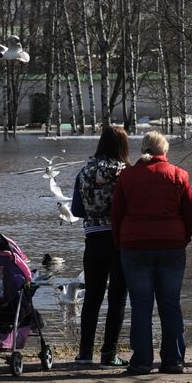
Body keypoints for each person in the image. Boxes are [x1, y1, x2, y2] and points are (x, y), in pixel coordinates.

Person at [110, 130, 192, 375]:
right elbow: (189, 213)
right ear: (164, 151)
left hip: (135, 246)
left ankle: (142, 361)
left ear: (143, 150)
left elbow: (117, 214)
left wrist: (120, 240)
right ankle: (174, 360)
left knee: (141, 304)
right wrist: (183, 238)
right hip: (171, 245)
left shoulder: (127, 176)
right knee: (170, 303)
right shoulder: (179, 175)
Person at [69, 126, 130, 366]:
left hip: (93, 238)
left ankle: (85, 352)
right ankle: (109, 353)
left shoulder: (84, 173)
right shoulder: (124, 173)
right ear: (122, 147)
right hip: (118, 238)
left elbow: (76, 210)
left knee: (92, 296)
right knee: (118, 297)